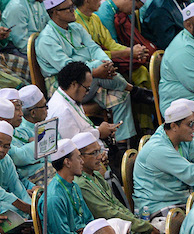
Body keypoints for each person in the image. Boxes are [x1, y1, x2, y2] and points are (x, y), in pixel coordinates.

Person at [37, 4, 137, 143]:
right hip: (65, 86)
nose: (74, 10)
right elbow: (68, 68)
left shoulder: (76, 28)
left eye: (73, 6)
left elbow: (94, 48)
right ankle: (133, 89)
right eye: (69, 8)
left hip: (89, 80)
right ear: (55, 13)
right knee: (96, 68)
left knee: (121, 95)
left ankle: (121, 144)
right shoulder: (46, 39)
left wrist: (106, 63)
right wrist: (96, 70)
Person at [132, 98, 194, 220]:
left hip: (179, 200)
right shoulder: (158, 149)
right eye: (190, 124)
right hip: (155, 208)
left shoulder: (182, 140)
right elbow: (193, 174)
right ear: (174, 126)